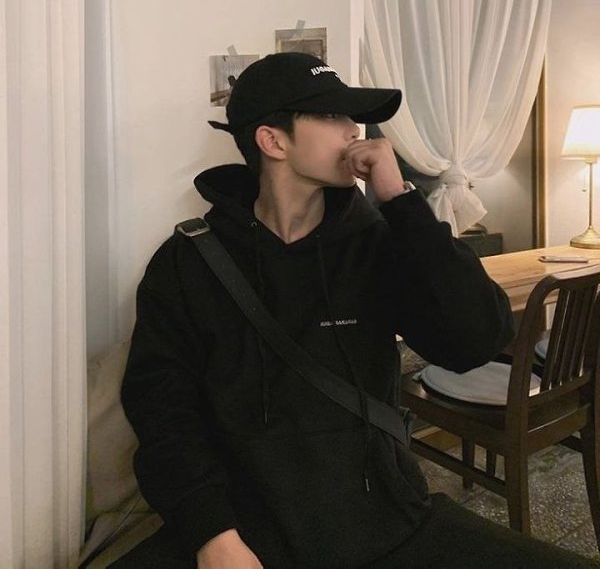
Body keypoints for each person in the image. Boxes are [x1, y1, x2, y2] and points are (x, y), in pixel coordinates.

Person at [117, 53, 594, 568]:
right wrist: (212, 535)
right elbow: (163, 412)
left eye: (353, 116)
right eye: (331, 115)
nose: (355, 131)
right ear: (272, 141)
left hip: (382, 518)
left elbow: (476, 340)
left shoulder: (377, 243)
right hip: (245, 534)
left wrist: (401, 201)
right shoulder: (188, 262)